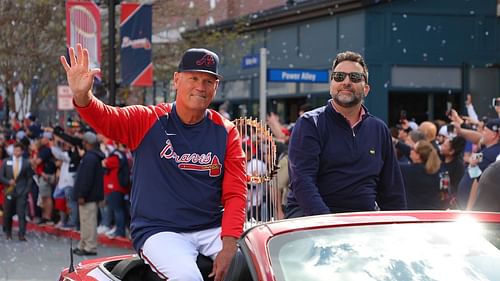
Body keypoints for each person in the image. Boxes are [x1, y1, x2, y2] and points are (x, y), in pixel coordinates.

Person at [61, 44, 246, 281]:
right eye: (194, 78)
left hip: (210, 227)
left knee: (252, 265)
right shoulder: (149, 120)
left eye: (209, 81)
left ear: (216, 86)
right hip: (160, 230)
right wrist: (82, 96)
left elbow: (235, 194)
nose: (201, 86)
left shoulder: (226, 131)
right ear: (177, 80)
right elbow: (107, 118)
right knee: (187, 277)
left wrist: (229, 243)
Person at [286, 50, 406, 217]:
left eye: (355, 77)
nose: (346, 82)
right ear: (331, 85)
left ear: (366, 89)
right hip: (311, 222)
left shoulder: (379, 129)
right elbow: (302, 182)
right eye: (339, 77)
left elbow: (392, 193)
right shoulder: (310, 123)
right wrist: (329, 225)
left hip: (362, 225)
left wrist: (396, 227)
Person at [72, 131, 105, 256]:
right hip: (89, 196)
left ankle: (90, 246)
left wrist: (82, 194)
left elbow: (86, 179)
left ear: (87, 143)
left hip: (88, 196)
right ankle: (84, 244)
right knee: (85, 221)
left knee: (89, 222)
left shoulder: (90, 158)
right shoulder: (92, 156)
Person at [0, 142, 33, 241]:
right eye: (15, 150)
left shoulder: (26, 163)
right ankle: (8, 232)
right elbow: (1, 176)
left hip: (21, 192)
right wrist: (7, 181)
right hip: (9, 191)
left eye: (18, 150)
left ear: (22, 151)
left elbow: (29, 178)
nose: (16, 152)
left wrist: (26, 190)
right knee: (8, 213)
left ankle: (22, 234)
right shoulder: (6, 162)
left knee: (21, 213)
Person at [400, 140, 443, 210]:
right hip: (433, 211)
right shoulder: (436, 170)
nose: (410, 150)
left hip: (414, 212)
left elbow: (393, 165)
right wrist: (397, 143)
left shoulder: (408, 170)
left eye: (413, 149)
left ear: (418, 156)